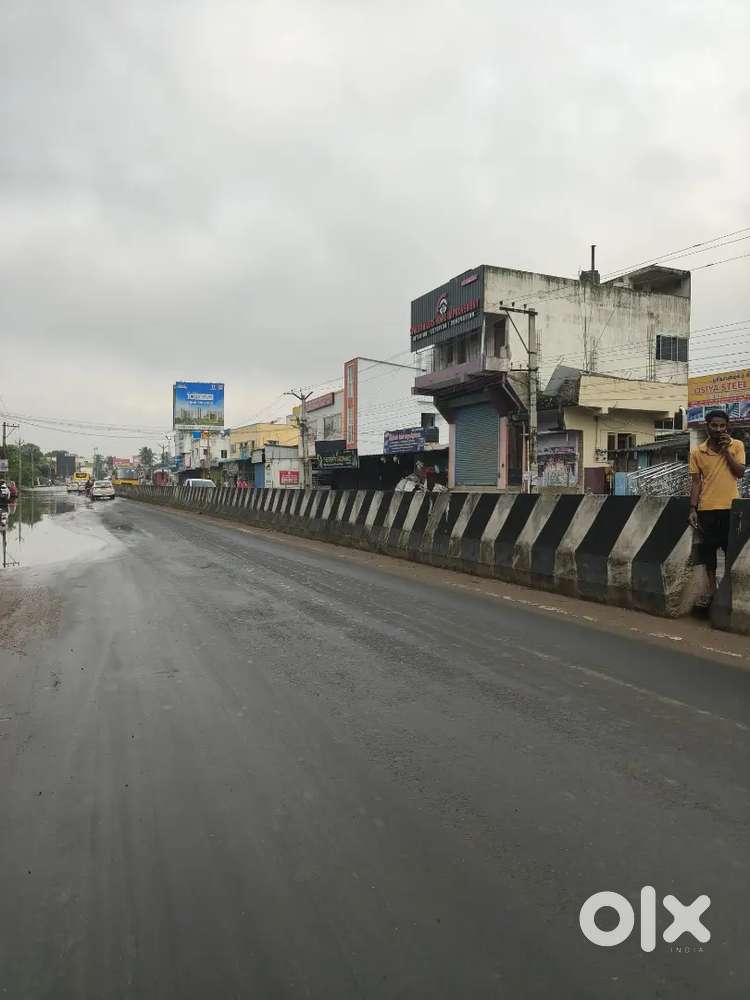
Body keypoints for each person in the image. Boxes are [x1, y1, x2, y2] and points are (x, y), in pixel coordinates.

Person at [688, 408, 746, 598]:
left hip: (732, 508)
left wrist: (726, 451)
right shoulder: (698, 452)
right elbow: (696, 482)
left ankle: (729, 588)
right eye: (714, 425)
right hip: (707, 509)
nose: (718, 429)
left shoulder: (737, 445)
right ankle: (712, 588)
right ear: (707, 427)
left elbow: (739, 472)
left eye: (722, 426)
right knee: (709, 551)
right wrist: (693, 509)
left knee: (731, 550)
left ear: (727, 427)